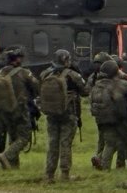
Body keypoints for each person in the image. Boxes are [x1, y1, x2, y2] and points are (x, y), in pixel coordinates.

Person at [38, 49, 89, 182]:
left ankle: (49, 175)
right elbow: (85, 92)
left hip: (51, 113)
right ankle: (65, 174)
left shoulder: (45, 74)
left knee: (52, 143)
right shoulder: (73, 75)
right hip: (68, 113)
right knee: (65, 143)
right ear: (66, 60)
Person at [89, 59, 127, 171]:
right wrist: (124, 76)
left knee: (110, 143)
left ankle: (104, 165)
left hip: (103, 119)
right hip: (121, 119)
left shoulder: (97, 85)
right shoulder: (121, 84)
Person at [0, 47, 39, 170]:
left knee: (13, 137)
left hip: (5, 109)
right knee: (24, 138)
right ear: (17, 59)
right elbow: (36, 86)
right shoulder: (24, 72)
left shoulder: (1, 72)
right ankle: (6, 155)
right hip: (20, 109)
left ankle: (12, 166)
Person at [85, 51, 113, 170]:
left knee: (101, 138)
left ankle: (98, 158)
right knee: (111, 139)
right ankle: (101, 160)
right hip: (110, 112)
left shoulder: (93, 77)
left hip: (97, 113)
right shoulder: (110, 77)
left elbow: (87, 91)